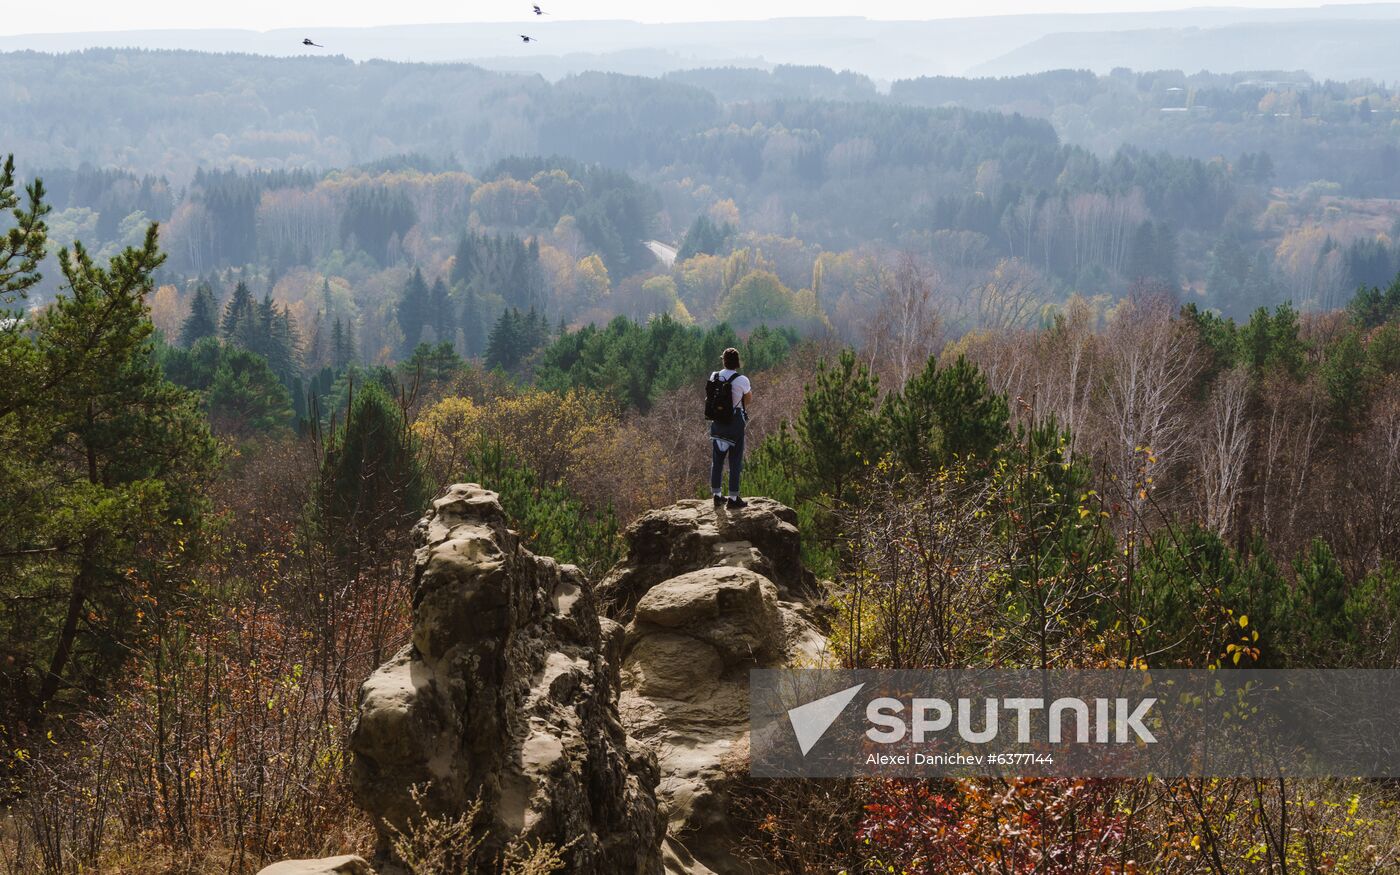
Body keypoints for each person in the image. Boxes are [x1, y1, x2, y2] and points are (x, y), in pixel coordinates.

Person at [709, 347, 752, 509]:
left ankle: (717, 496)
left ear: (724, 360)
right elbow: (748, 399)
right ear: (738, 362)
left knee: (717, 461)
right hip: (734, 424)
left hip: (717, 423)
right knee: (735, 462)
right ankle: (733, 499)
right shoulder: (742, 380)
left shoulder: (714, 376)